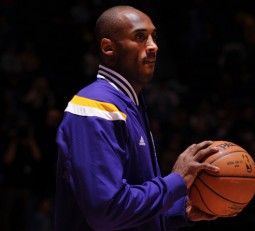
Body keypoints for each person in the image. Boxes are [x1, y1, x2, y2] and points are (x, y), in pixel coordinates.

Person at [54, 5, 229, 231]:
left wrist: (178, 211)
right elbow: (106, 212)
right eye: (140, 37)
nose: (153, 46)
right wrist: (176, 180)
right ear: (109, 48)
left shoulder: (129, 104)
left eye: (154, 37)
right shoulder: (95, 107)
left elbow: (127, 213)